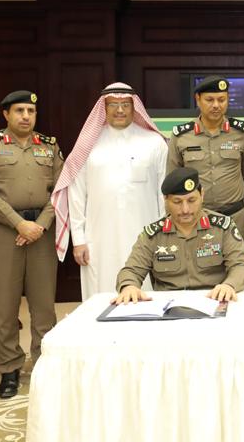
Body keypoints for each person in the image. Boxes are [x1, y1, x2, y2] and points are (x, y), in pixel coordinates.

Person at [0, 90, 64, 399]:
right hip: (3, 232)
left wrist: (40, 225)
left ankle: (43, 364)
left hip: (42, 232)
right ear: (6, 114)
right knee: (5, 305)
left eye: (31, 111)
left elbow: (60, 190)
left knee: (44, 306)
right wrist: (18, 223)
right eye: (19, 111)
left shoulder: (49, 146)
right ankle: (9, 368)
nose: (26, 116)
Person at [52, 83, 168, 299]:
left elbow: (164, 195)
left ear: (135, 107)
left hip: (146, 235)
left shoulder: (155, 143)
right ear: (103, 108)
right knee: (101, 296)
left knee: (145, 297)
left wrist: (165, 236)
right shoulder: (88, 144)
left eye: (125, 104)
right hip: (98, 239)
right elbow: (77, 195)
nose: (120, 110)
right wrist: (78, 240)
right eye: (113, 104)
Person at [114, 167, 244, 303]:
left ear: (202, 195)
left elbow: (240, 266)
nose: (185, 209)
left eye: (191, 200)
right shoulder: (153, 235)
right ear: (165, 200)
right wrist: (129, 286)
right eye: (177, 202)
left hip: (213, 300)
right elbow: (131, 271)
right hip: (168, 306)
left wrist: (229, 285)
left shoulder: (222, 228)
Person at [166, 76, 244, 240]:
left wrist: (241, 205)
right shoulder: (181, 136)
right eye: (209, 100)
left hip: (234, 217)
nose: (216, 105)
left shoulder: (242, 133)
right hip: (196, 218)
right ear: (198, 99)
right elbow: (172, 180)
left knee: (236, 257)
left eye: (221, 100)